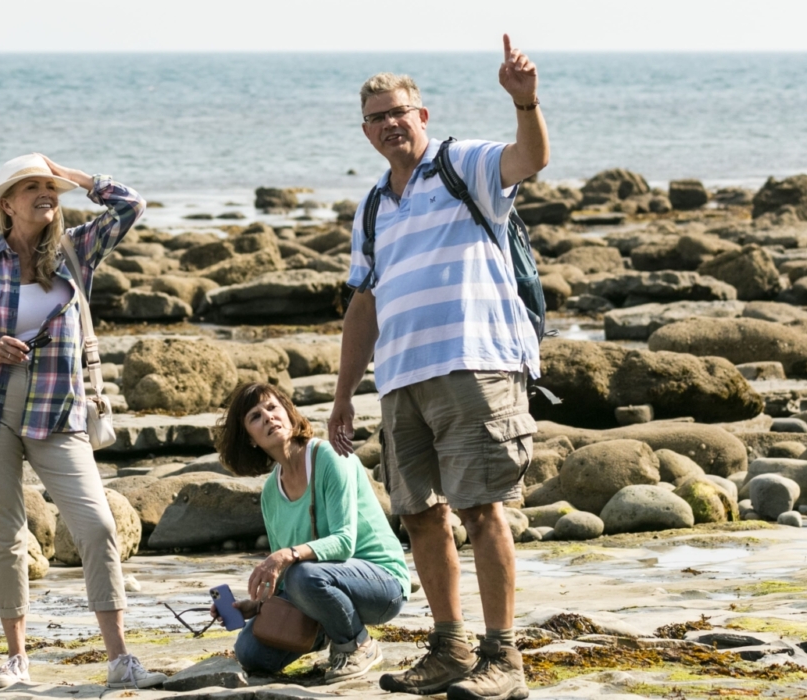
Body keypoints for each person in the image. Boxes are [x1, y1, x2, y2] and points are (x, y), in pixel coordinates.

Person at [325, 35, 550, 700]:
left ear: (422, 116)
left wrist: (526, 100)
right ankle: (450, 648)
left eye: (400, 112)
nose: (390, 124)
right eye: (377, 117)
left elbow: (532, 158)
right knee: (422, 515)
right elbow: (363, 305)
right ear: (365, 132)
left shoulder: (464, 164)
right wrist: (344, 395)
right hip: (400, 380)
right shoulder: (371, 207)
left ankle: (503, 659)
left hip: (476, 364)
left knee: (482, 510)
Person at [0, 153, 165, 690]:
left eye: (50, 187)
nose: (46, 193)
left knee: (98, 526)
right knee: (5, 537)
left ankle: (121, 656)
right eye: (32, 186)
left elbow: (132, 205)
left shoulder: (76, 251)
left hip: (59, 411)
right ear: (6, 205)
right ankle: (16, 659)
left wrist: (74, 174)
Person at [214, 383, 409, 682]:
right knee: (251, 652)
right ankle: (329, 632)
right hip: (318, 587)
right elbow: (283, 582)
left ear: (289, 414)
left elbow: (344, 542)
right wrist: (254, 606)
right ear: (250, 440)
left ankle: (358, 644)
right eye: (255, 416)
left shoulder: (329, 456)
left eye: (272, 408)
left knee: (300, 573)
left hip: (381, 585)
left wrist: (286, 555)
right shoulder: (270, 493)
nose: (268, 417)